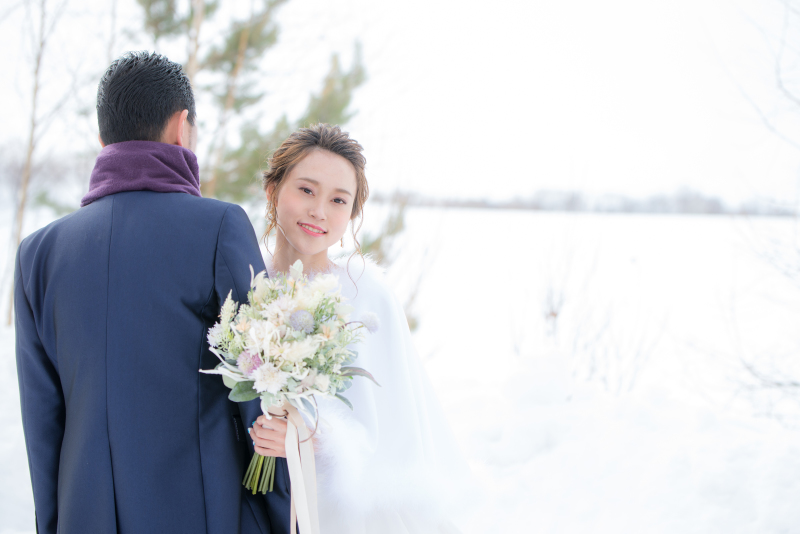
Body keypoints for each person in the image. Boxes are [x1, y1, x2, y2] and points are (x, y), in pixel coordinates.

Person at [14, 51, 290, 533]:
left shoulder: (37, 252)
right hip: (206, 515)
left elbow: (42, 427)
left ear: (103, 140)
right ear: (183, 127)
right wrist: (281, 516)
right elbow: (261, 392)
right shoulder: (220, 225)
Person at [247, 124, 470, 533]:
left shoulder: (366, 296)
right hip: (244, 499)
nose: (319, 211)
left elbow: (390, 432)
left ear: (351, 213)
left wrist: (306, 438)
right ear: (273, 190)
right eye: (306, 190)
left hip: (333, 513)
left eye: (338, 200)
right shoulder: (241, 282)